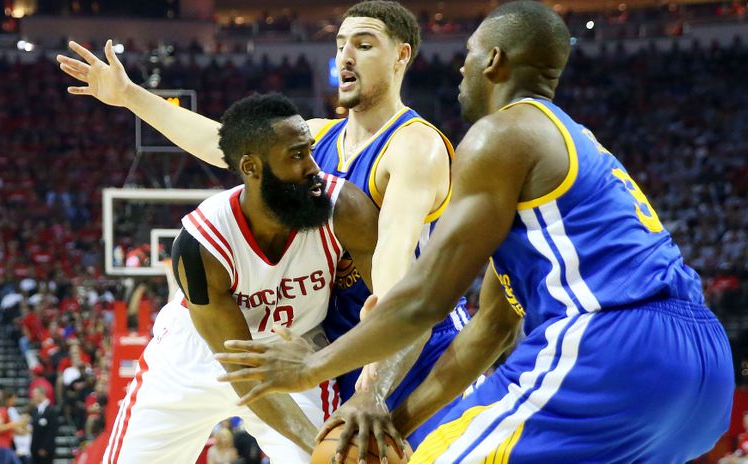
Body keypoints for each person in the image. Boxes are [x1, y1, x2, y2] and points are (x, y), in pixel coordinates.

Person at [214, 1, 735, 462]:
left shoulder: (501, 134)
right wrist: (391, 428)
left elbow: (424, 298)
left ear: (494, 61)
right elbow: (490, 329)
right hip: (704, 368)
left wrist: (311, 368)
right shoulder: (575, 144)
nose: (459, 67)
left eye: (468, 51)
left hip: (609, 344)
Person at [56, 1, 470, 454]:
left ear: (401, 56)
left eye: (364, 44)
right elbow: (225, 146)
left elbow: (394, 276)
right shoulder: (316, 138)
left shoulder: (414, 147)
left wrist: (371, 383)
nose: (345, 55)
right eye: (340, 44)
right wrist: (131, 95)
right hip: (335, 346)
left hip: (401, 345)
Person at [100, 94, 381, 463]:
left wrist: (364, 400)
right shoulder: (202, 244)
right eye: (297, 156)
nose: (313, 167)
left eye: (310, 151)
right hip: (198, 358)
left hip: (295, 356)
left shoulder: (344, 208)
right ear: (252, 167)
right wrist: (317, 445)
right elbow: (242, 370)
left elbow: (396, 304)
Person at [30, 387, 57, 464]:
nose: (33, 397)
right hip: (35, 448)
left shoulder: (51, 410)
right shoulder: (35, 410)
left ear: (41, 395)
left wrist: (45, 447)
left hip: (45, 450)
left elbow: (52, 430)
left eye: (34, 394)